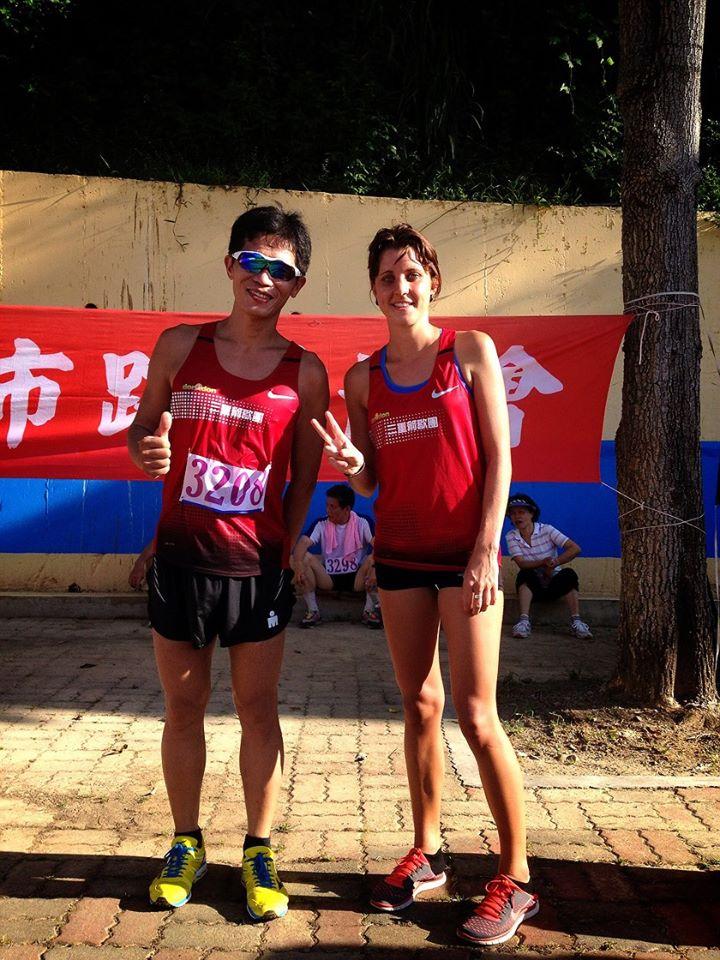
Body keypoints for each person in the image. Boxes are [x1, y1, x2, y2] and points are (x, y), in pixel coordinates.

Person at [312, 224, 539, 946]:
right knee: (418, 704)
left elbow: (499, 459)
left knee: (475, 714)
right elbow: (370, 480)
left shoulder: (468, 350)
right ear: (373, 290)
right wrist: (353, 466)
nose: (401, 287)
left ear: (431, 281)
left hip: (465, 557)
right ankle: (429, 852)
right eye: (387, 276)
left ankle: (516, 877)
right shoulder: (361, 379)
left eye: (412, 273)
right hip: (402, 559)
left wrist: (486, 550)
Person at [128, 205, 328, 922]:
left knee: (257, 710)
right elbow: (141, 430)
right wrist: (146, 449)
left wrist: (284, 548)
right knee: (183, 707)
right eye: (252, 261)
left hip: (257, 573)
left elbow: (302, 479)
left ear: (296, 284)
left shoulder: (306, 372)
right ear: (230, 266)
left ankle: (258, 849)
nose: (263, 277)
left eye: (281, 269)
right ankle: (185, 842)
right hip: (180, 562)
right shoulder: (180, 346)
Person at [291, 483, 380, 629]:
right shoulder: (321, 523)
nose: (328, 510)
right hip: (329, 577)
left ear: (347, 509)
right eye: (327, 505)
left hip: (357, 578)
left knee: (374, 559)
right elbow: (302, 543)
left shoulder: (363, 522)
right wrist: (299, 565)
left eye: (333, 507)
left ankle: (369, 611)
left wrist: (375, 570)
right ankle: (313, 611)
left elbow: (379, 546)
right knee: (303, 557)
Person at [505, 493, 592, 640]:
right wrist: (543, 562)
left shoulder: (547, 530)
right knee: (525, 574)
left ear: (532, 514)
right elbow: (521, 563)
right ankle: (523, 622)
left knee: (569, 575)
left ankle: (577, 622)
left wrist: (555, 562)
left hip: (554, 583)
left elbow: (575, 548)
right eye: (513, 513)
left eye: (521, 512)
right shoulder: (511, 536)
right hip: (534, 587)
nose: (517, 516)